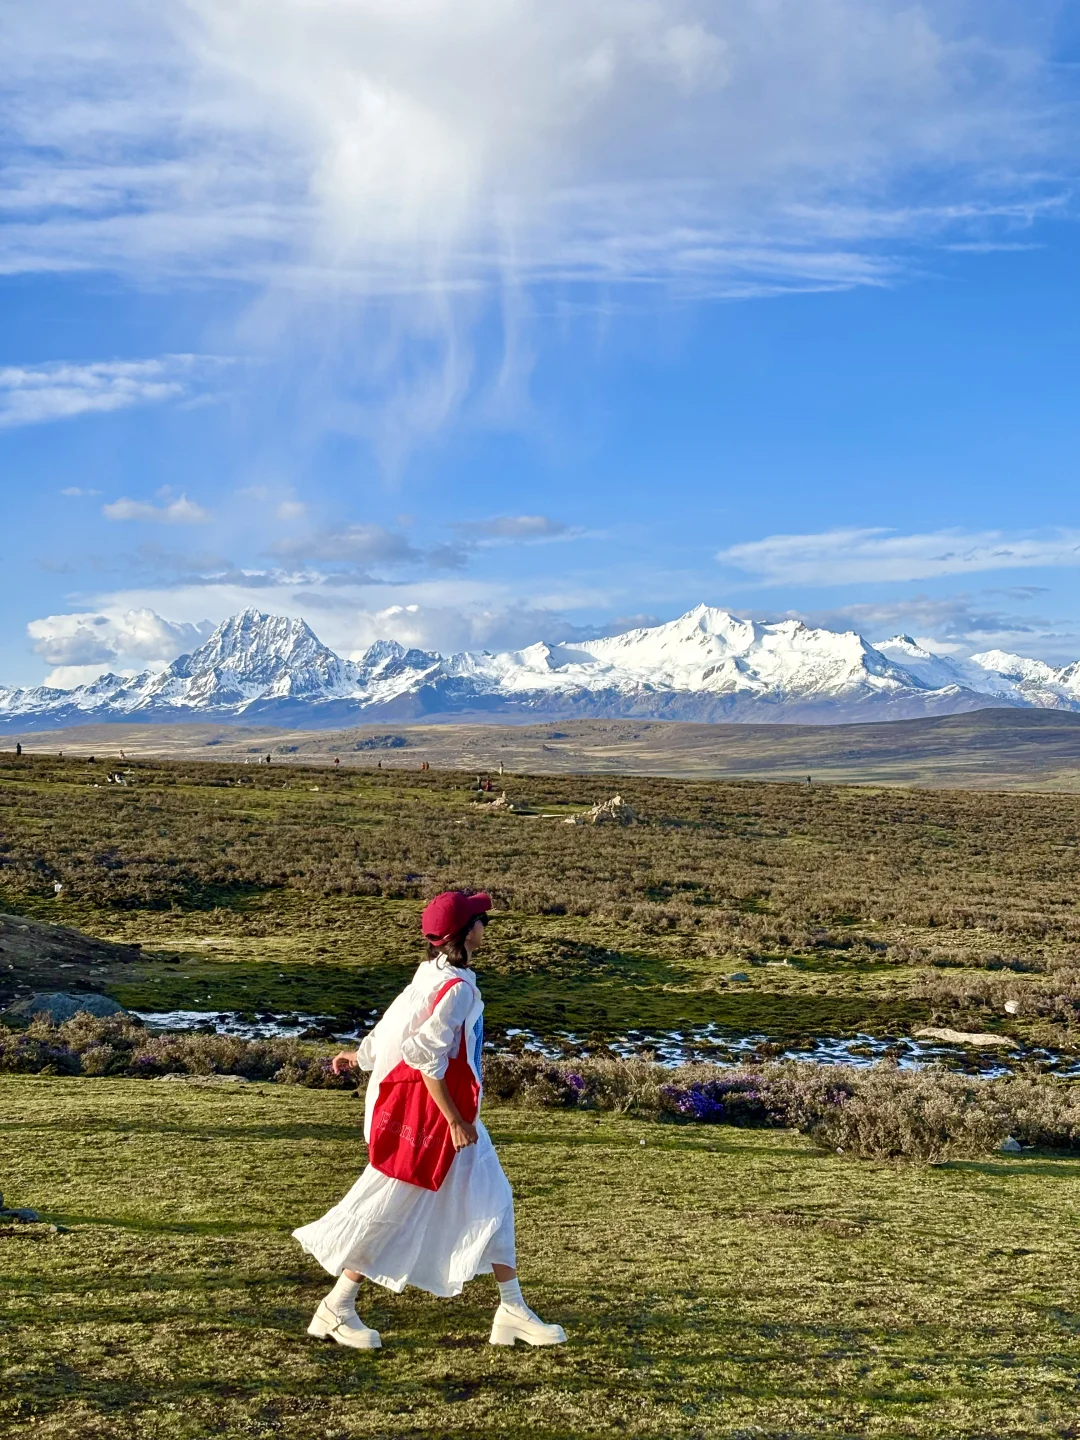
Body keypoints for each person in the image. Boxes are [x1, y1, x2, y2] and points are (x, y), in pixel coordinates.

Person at [292, 890, 566, 1352]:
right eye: (482, 920)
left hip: (425, 1115)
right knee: (392, 1206)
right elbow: (424, 1057)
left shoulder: (430, 973)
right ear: (465, 933)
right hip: (435, 1121)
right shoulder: (458, 989)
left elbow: (392, 1027)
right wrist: (456, 1120)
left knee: (493, 1197)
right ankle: (337, 1307)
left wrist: (359, 1056)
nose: (486, 927)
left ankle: (512, 1310)